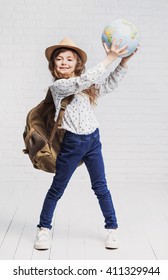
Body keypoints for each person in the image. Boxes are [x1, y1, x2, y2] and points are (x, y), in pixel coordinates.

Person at [34, 37, 138, 250]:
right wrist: (110, 57)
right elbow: (79, 82)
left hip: (93, 141)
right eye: (59, 59)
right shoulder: (59, 86)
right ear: (53, 66)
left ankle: (112, 229)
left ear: (77, 64)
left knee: (101, 187)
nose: (64, 62)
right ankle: (43, 229)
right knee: (58, 188)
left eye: (69, 59)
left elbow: (108, 85)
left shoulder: (86, 85)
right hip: (72, 143)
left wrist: (123, 62)